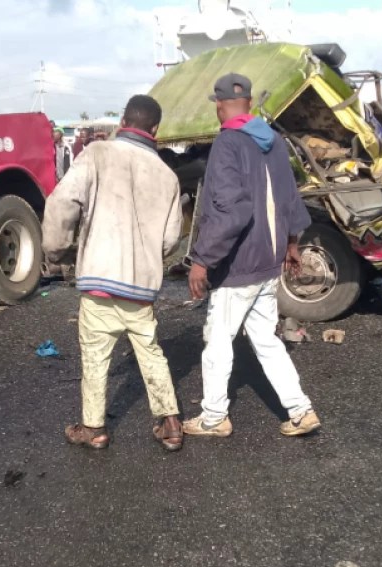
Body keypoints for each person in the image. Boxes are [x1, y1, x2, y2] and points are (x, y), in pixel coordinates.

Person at [43, 95, 184, 451]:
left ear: (123, 121)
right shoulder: (167, 176)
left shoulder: (97, 154)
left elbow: (62, 202)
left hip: (100, 279)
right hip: (141, 287)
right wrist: (148, 258)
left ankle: (94, 429)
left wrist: (57, 250)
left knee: (95, 356)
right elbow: (171, 239)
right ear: (155, 129)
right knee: (150, 352)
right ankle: (170, 424)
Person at [184, 73, 321, 438]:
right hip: (269, 260)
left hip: (239, 264)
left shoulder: (227, 143)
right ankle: (301, 410)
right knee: (265, 338)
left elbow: (230, 210)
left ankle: (214, 418)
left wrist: (202, 259)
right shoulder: (273, 139)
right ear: (248, 103)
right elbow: (290, 195)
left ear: (219, 105)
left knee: (217, 342)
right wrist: (292, 243)